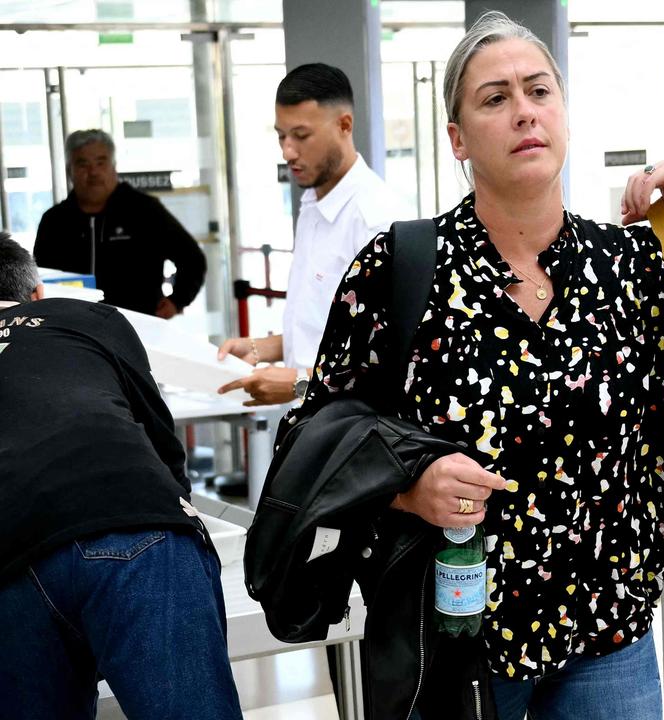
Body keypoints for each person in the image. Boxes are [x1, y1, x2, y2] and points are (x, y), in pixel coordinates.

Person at [290, 11, 664, 719]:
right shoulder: (401, 266)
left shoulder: (631, 266)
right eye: (495, 98)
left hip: (608, 643)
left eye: (539, 91)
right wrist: (406, 485)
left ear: (565, 117)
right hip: (457, 644)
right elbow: (313, 437)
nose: (524, 112)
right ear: (457, 139)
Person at [0, 234, 241, 720]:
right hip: (136, 520)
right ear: (38, 293)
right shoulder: (89, 317)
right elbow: (161, 438)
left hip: (11, 549)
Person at [217, 63, 406, 406]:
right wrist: (261, 348)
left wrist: (298, 385)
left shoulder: (376, 222)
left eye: (301, 136)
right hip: (312, 426)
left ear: (344, 125)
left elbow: (391, 361)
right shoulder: (314, 203)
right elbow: (323, 326)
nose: (288, 151)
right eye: (281, 136)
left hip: (353, 436)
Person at [33, 129, 206, 318]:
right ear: (69, 171)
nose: (93, 172)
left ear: (113, 166)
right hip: (73, 329)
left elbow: (193, 259)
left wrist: (177, 301)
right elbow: (38, 277)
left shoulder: (144, 211)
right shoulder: (55, 221)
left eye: (101, 162)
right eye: (83, 164)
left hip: (137, 327)